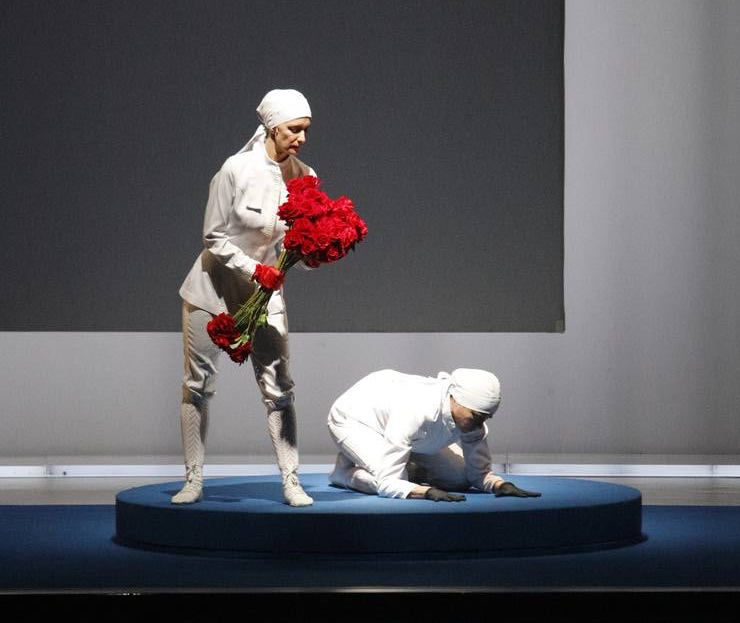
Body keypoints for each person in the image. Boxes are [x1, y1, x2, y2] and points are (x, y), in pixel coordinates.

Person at [172, 88, 316, 507]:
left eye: (306, 130)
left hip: (265, 295)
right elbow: (213, 236)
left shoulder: (304, 176)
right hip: (211, 289)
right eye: (294, 129)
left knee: (279, 388)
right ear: (273, 126)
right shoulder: (235, 169)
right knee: (196, 385)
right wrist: (257, 269)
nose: (301, 138)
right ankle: (193, 478)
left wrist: (312, 254)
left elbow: (295, 246)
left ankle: (291, 480)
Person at [327, 368, 540, 500]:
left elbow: (477, 474)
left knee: (458, 479)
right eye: (475, 416)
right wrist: (425, 492)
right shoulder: (416, 411)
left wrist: (500, 485)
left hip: (406, 434)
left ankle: (392, 460)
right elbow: (389, 483)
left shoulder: (473, 420)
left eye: (485, 418)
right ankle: (344, 474)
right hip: (354, 420)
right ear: (456, 400)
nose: (479, 424)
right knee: (385, 482)